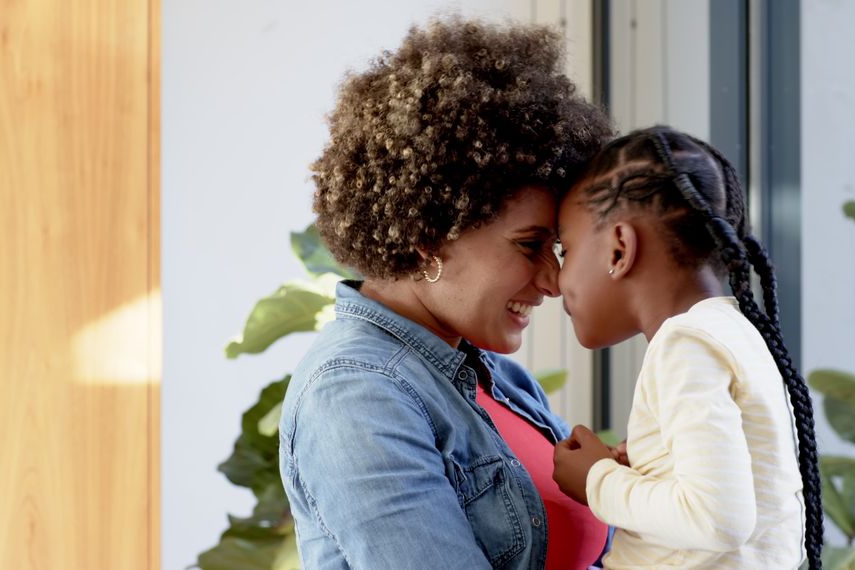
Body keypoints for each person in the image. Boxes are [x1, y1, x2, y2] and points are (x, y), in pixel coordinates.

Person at [278, 16, 615, 569]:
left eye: (555, 249)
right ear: (427, 235)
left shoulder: (495, 376)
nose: (552, 281)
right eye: (530, 245)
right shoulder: (356, 396)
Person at [551, 126, 823, 569]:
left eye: (565, 250)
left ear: (619, 249)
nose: (554, 281)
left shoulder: (684, 344)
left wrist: (596, 481)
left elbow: (719, 520)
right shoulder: (737, 334)